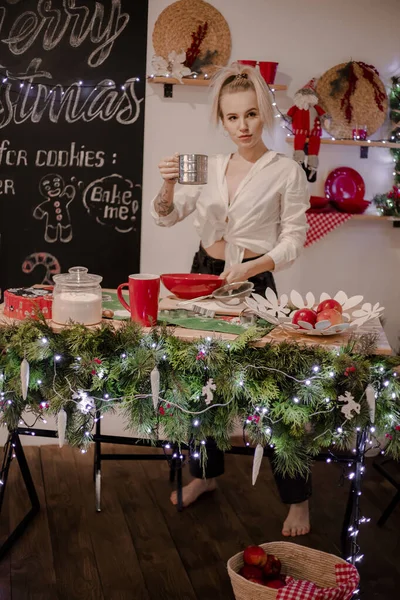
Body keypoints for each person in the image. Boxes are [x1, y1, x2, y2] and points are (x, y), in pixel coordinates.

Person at [150, 62, 311, 537]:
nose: (242, 126)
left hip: (253, 283)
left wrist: (251, 267)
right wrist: (168, 184)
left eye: (250, 115)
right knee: (199, 382)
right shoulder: (205, 165)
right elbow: (166, 216)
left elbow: (294, 241)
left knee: (275, 392)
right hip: (202, 277)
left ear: (264, 113)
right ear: (220, 120)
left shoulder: (287, 171)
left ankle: (297, 501)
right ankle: (205, 475)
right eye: (231, 117)